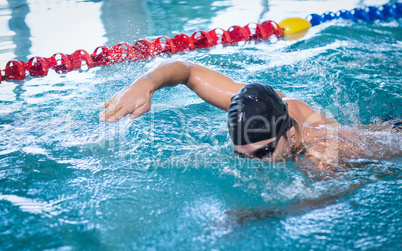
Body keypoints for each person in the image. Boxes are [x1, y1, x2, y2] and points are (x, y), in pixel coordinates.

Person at [99, 60, 401, 172]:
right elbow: (187, 71)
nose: (259, 162)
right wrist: (145, 84)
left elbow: (323, 204)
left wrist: (254, 216)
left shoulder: (322, 155)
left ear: (290, 134)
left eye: (266, 151)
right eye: (246, 155)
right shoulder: (258, 105)